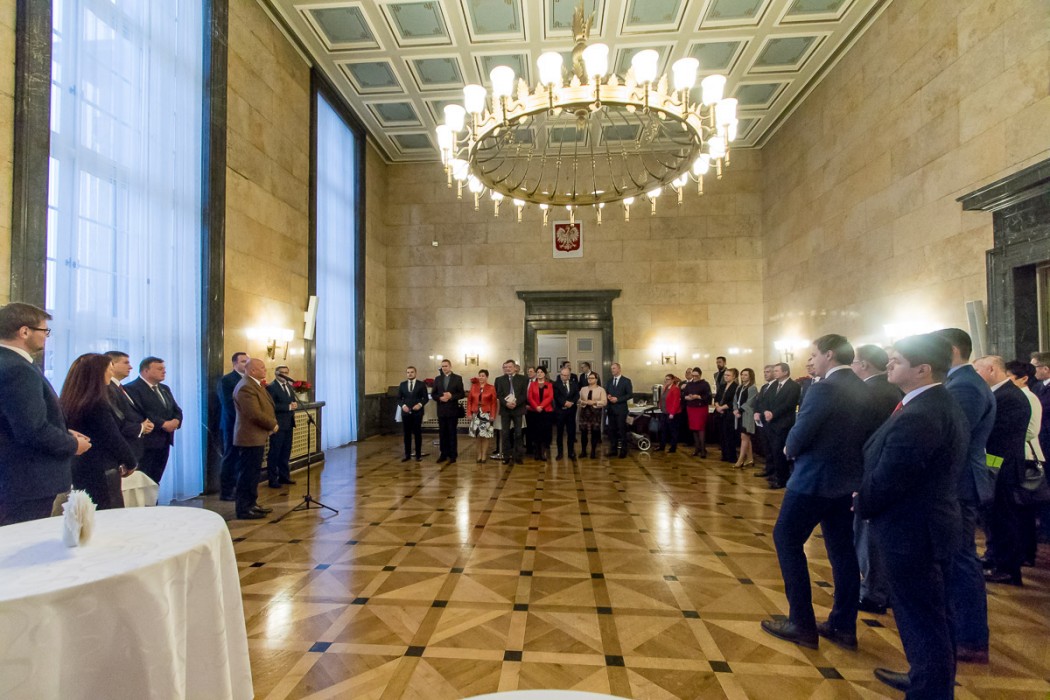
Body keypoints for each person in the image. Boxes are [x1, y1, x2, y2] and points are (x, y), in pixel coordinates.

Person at [859, 333, 967, 698]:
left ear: (922, 369)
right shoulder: (932, 403)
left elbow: (894, 475)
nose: (889, 364)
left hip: (913, 530)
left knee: (922, 617)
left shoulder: (922, 414)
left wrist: (863, 502)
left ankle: (930, 689)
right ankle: (926, 677)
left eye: (897, 360)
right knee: (931, 614)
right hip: (925, 524)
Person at [761, 335, 871, 653]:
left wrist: (788, 448)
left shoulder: (824, 388)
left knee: (786, 539)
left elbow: (801, 432)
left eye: (813, 354)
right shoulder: (863, 387)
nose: (810, 360)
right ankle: (843, 625)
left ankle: (801, 623)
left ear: (829, 354)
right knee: (842, 551)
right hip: (846, 482)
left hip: (813, 481)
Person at [931, 327, 994, 664]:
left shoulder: (965, 386)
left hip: (959, 483)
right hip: (958, 482)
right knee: (955, 558)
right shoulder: (962, 382)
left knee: (960, 560)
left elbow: (953, 437)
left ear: (952, 350)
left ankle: (969, 637)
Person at [0, 303, 89, 525]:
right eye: (44, 330)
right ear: (24, 331)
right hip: (25, 479)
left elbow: (14, 417)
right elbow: (32, 429)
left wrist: (63, 430)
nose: (46, 337)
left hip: (13, 478)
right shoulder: (18, 368)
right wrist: (72, 444)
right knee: (23, 540)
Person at [850, 344, 903, 615]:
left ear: (864, 364)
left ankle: (873, 592)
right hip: (877, 472)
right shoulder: (889, 389)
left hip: (869, 472)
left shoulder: (871, 391)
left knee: (868, 536)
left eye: (854, 362)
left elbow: (857, 433)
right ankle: (880, 588)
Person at [974, 355, 1031, 586]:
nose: (975, 375)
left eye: (977, 370)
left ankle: (1007, 568)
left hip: (1004, 465)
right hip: (995, 462)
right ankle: (994, 556)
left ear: (991, 369)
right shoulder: (1000, 394)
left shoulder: (1009, 396)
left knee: (1004, 517)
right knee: (992, 515)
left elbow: (997, 431)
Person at [60, 353, 137, 510]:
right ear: (97, 373)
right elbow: (112, 436)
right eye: (109, 369)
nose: (111, 373)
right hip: (102, 468)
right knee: (108, 513)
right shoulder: (96, 402)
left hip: (79, 466)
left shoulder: (70, 400)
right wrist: (130, 462)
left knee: (87, 512)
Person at [1006, 359, 1044, 568]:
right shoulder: (1014, 396)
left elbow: (1031, 430)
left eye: (1010, 378)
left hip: (1027, 456)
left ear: (1023, 379)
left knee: (1024, 506)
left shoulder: (1029, 398)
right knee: (1014, 506)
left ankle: (1027, 552)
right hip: (1015, 455)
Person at [124, 356, 182, 485]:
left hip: (164, 440)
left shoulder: (164, 388)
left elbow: (176, 409)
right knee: (144, 480)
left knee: (156, 480)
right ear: (146, 371)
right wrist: (163, 424)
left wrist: (176, 421)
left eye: (164, 368)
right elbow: (140, 412)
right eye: (159, 369)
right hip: (146, 442)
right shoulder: (132, 388)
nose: (164, 371)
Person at [233, 358, 278, 520]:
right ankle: (244, 509)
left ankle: (252, 504)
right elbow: (253, 413)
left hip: (257, 436)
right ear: (252, 370)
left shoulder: (255, 384)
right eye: (262, 367)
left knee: (253, 474)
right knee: (247, 474)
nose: (265, 370)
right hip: (249, 437)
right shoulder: (246, 386)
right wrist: (272, 424)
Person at [757, 362, 801, 489]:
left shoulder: (794, 386)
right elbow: (764, 400)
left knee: (779, 451)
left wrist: (773, 413)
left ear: (785, 372)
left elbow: (789, 404)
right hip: (771, 423)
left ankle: (782, 478)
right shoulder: (774, 385)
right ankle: (775, 473)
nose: (774, 373)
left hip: (783, 423)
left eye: (777, 371)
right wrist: (766, 411)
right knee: (772, 451)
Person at [104, 350, 153, 461]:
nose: (130, 367)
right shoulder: (108, 388)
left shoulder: (121, 387)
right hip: (121, 450)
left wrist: (145, 424)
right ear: (111, 364)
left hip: (134, 446)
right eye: (126, 363)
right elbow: (115, 422)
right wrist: (141, 427)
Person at [216, 352, 249, 500]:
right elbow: (228, 404)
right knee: (230, 457)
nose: (246, 364)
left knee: (242, 459)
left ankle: (239, 488)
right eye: (243, 361)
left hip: (246, 426)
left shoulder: (248, 380)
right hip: (232, 424)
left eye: (247, 361)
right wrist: (244, 419)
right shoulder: (227, 380)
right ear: (235, 363)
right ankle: (226, 491)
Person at [265, 365, 298, 488]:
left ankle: (284, 477)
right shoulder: (271, 387)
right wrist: (288, 407)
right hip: (277, 424)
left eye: (286, 372)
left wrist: (294, 404)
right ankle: (272, 479)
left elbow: (292, 401)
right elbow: (270, 406)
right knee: (275, 452)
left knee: (286, 452)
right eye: (282, 372)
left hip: (289, 423)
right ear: (276, 374)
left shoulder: (289, 386)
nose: (284, 375)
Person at [494, 360, 528, 465]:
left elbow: (524, 394)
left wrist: (515, 403)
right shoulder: (499, 380)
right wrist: (506, 403)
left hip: (518, 409)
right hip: (505, 410)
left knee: (518, 433)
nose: (507, 369)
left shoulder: (523, 379)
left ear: (514, 368)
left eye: (509, 367)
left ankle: (518, 456)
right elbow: (498, 394)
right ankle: (506, 456)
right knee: (505, 434)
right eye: (505, 367)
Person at [432, 359, 465, 464]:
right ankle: (443, 454)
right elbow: (433, 394)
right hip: (441, 410)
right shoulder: (437, 379)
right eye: (442, 366)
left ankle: (453, 454)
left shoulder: (457, 378)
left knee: (452, 433)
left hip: (452, 410)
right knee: (442, 433)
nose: (444, 368)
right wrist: (440, 398)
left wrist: (451, 396)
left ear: (450, 366)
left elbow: (461, 394)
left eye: (446, 366)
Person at [397, 366, 429, 462]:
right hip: (406, 412)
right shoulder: (402, 384)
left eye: (412, 372)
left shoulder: (421, 384)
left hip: (417, 412)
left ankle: (418, 455)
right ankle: (407, 455)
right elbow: (398, 398)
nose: (410, 374)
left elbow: (425, 398)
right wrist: (403, 406)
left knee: (417, 433)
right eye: (408, 372)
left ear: (415, 373)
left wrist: (420, 405)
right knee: (407, 434)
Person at [467, 369, 498, 463]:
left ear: (487, 377)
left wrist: (492, 415)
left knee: (485, 436)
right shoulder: (474, 387)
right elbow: (469, 401)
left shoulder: (491, 388)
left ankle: (484, 455)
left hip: (486, 414)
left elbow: (493, 403)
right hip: (476, 413)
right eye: (479, 375)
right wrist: (469, 413)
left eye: (483, 376)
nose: (481, 377)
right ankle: (479, 454)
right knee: (477, 435)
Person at [682, 367, 712, 457]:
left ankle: (703, 449)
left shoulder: (705, 384)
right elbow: (683, 394)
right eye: (693, 375)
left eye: (696, 376)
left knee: (701, 428)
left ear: (700, 375)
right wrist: (687, 397)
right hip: (691, 408)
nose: (694, 377)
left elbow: (708, 396)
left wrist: (698, 396)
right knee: (694, 428)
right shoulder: (689, 384)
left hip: (700, 408)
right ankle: (697, 448)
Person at [527, 366, 555, 460]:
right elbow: (530, 397)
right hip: (535, 412)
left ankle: (543, 452)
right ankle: (537, 452)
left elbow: (550, 397)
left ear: (545, 374)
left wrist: (541, 406)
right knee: (535, 432)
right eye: (538, 372)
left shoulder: (549, 385)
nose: (539, 373)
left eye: (541, 372)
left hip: (546, 412)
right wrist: (536, 407)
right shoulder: (532, 384)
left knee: (545, 432)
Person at [606, 363, 633, 458]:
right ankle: (613, 450)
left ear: (619, 369)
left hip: (621, 410)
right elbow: (607, 392)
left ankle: (623, 451)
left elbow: (630, 395)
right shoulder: (609, 381)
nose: (612, 370)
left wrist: (618, 399)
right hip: (611, 410)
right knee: (612, 431)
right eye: (611, 368)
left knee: (622, 431)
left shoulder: (626, 381)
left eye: (614, 368)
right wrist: (608, 396)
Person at [733, 368, 759, 468]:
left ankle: (740, 459)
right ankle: (750, 459)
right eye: (742, 374)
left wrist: (739, 410)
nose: (743, 376)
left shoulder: (752, 388)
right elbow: (735, 400)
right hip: (739, 414)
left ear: (750, 376)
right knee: (746, 438)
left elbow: (750, 402)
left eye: (745, 375)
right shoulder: (739, 387)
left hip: (747, 414)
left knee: (744, 437)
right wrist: (735, 409)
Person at [577, 371, 607, 459]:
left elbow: (604, 402)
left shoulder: (601, 390)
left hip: (595, 413)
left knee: (594, 432)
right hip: (584, 412)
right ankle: (583, 451)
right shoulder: (583, 389)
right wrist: (583, 402)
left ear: (596, 379)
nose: (590, 379)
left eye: (592, 378)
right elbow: (578, 400)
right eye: (589, 378)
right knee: (583, 433)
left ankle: (593, 451)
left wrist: (594, 402)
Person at [553, 365, 580, 459]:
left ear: (569, 375)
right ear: (560, 375)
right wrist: (564, 403)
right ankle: (560, 453)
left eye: (567, 375)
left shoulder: (574, 383)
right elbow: (556, 396)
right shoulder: (556, 384)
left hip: (571, 412)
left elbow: (577, 395)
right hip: (560, 412)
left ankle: (571, 452)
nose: (565, 377)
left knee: (571, 433)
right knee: (559, 434)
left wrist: (571, 402)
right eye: (563, 375)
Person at [714, 368, 739, 463]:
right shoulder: (722, 386)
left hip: (729, 413)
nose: (726, 377)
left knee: (729, 435)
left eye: (728, 375)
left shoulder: (736, 387)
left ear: (734, 376)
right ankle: (724, 454)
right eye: (725, 375)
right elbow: (717, 397)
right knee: (722, 435)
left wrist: (722, 407)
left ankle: (731, 456)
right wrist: (717, 406)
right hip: (719, 413)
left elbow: (733, 401)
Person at [656, 373, 681, 452]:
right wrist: (660, 405)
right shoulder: (666, 388)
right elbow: (663, 398)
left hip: (672, 413)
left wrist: (672, 413)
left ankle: (673, 447)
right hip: (664, 412)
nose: (666, 381)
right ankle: (662, 446)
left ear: (672, 380)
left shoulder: (675, 389)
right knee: (663, 430)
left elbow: (676, 402)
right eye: (665, 379)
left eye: (668, 379)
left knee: (673, 431)